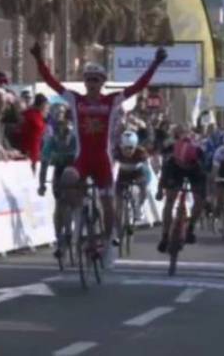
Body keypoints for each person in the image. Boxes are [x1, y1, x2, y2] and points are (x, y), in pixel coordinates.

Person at [31, 42, 166, 267]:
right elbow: (51, 83)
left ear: (103, 83)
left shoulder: (112, 100)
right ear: (84, 83)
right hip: (82, 158)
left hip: (102, 159)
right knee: (67, 180)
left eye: (96, 80)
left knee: (108, 203)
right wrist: (38, 59)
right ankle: (77, 214)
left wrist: (155, 63)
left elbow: (138, 85)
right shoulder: (76, 99)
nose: (92, 83)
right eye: (88, 79)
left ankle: (107, 238)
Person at [157, 124, 208, 253]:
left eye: (187, 162)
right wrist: (159, 190)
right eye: (182, 162)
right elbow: (164, 172)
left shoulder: (199, 154)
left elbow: (205, 176)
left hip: (195, 171)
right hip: (175, 170)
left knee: (199, 200)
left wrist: (204, 197)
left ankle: (190, 228)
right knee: (169, 201)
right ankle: (165, 236)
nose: (184, 164)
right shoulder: (171, 156)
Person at [39, 118, 77, 259]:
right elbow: (44, 164)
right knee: (59, 205)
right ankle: (59, 239)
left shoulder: (76, 140)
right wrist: (42, 184)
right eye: (61, 132)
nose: (64, 137)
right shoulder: (52, 141)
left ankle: (76, 228)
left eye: (66, 132)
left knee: (76, 202)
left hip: (75, 171)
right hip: (60, 172)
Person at [114, 130, 151, 232]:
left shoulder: (141, 152)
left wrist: (144, 185)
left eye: (131, 148)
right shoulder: (116, 151)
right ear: (121, 146)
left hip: (137, 172)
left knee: (144, 188)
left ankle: (139, 207)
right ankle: (118, 228)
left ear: (135, 146)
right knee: (118, 204)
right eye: (125, 148)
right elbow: (112, 168)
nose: (128, 151)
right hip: (121, 173)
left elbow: (147, 169)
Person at [20, 93, 50, 173]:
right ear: (42, 105)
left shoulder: (37, 116)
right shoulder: (32, 116)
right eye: (46, 106)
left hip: (35, 149)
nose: (48, 109)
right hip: (29, 150)